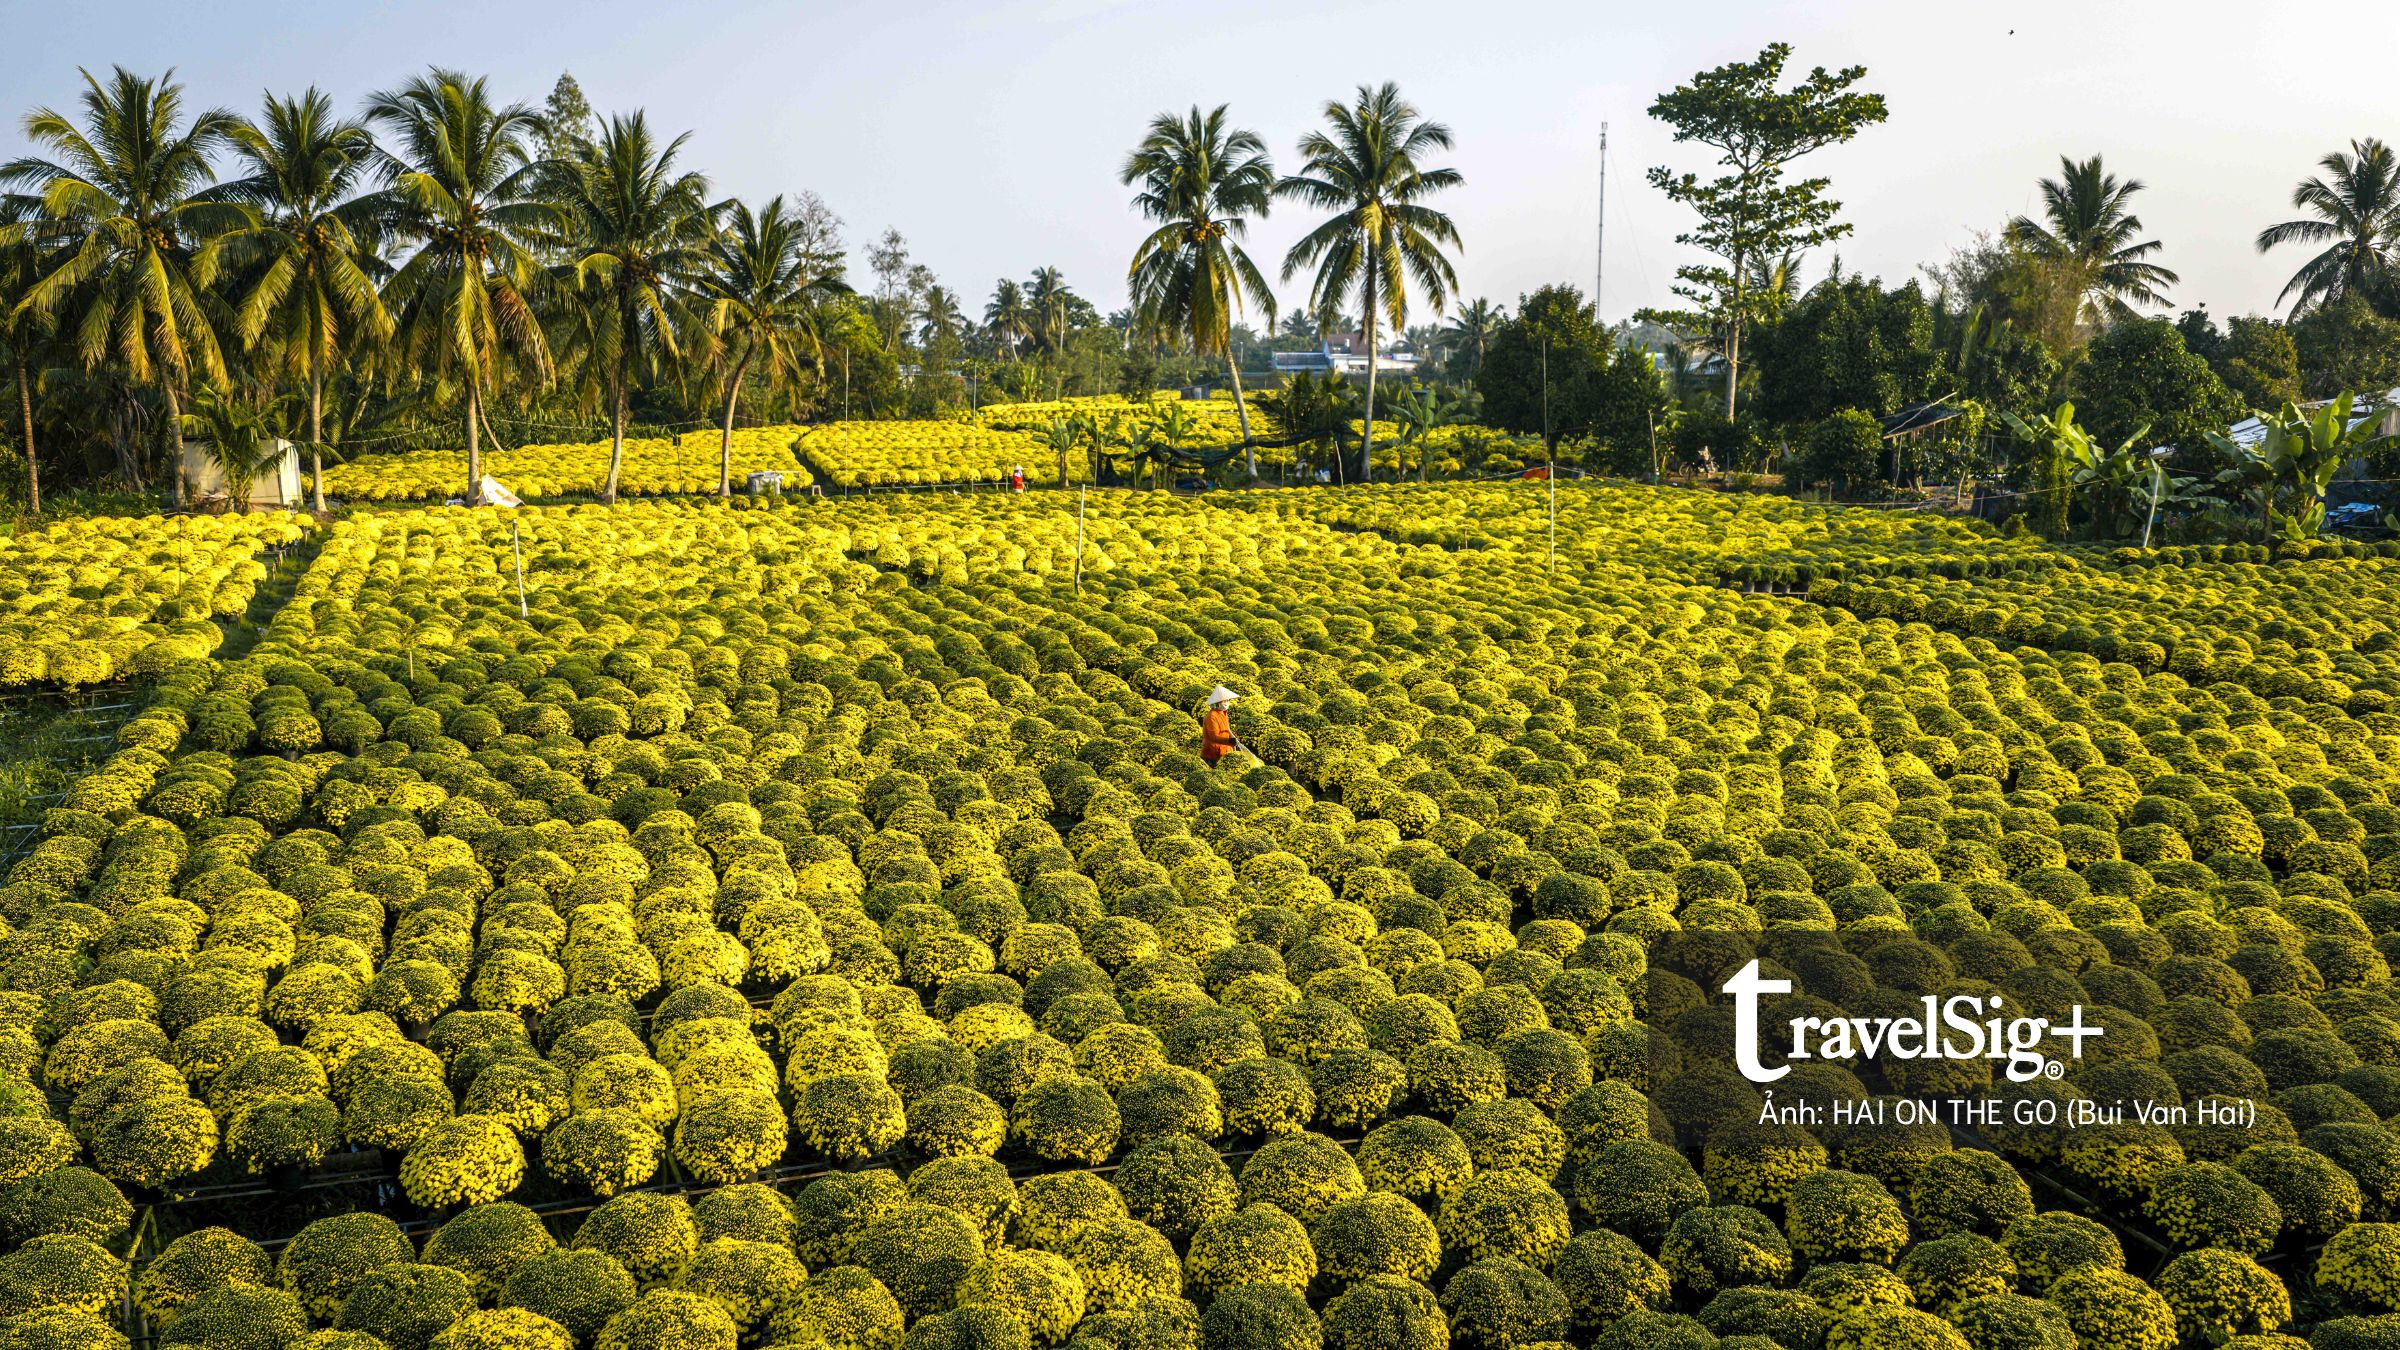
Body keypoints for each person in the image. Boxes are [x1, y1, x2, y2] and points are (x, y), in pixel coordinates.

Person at [1200, 686, 1247, 766]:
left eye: (1228, 700)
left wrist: (1234, 738)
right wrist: (1229, 741)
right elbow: (1213, 736)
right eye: (1224, 701)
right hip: (1213, 753)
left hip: (1225, 750)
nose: (1227, 703)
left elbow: (1227, 728)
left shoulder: (1223, 713)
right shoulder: (1211, 716)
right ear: (1217, 703)